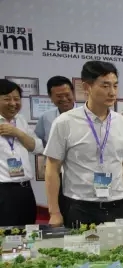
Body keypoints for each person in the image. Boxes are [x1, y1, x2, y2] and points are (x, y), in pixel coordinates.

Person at [44, 61, 123, 227]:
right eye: (105, 86)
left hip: (118, 205)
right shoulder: (65, 122)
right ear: (87, 87)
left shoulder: (122, 122)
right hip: (80, 207)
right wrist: (54, 212)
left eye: (115, 86)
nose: (112, 92)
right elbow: (52, 168)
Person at [0, 79, 43, 226]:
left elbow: (37, 148)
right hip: (3, 190)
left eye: (17, 99)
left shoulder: (21, 120)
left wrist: (17, 133)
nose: (13, 103)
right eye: (7, 99)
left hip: (25, 189)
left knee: (27, 230)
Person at [35, 75, 76, 221]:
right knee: (59, 212)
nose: (64, 99)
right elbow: (38, 142)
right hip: (56, 173)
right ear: (50, 98)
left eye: (67, 94)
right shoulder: (46, 118)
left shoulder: (86, 116)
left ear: (73, 93)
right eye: (59, 96)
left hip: (79, 173)